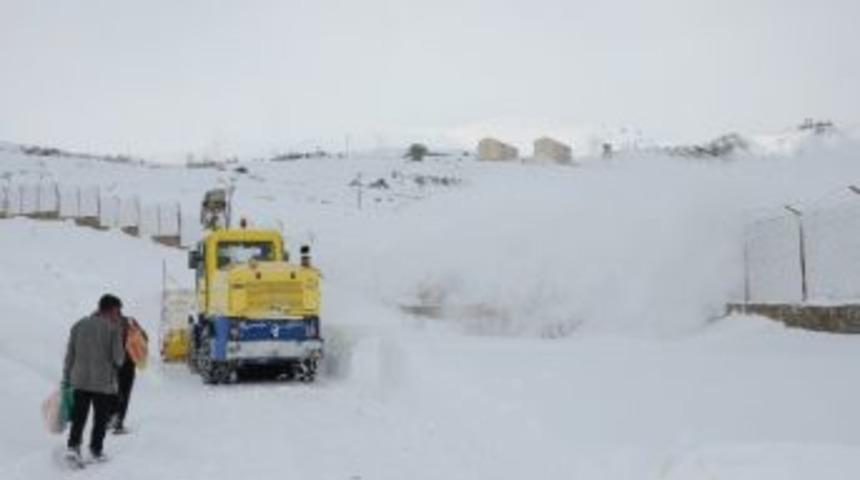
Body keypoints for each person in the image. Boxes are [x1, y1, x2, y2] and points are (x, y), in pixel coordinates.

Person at [62, 294, 126, 464]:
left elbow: (70, 356)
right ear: (112, 310)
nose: (118, 315)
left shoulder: (79, 325)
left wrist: (66, 378)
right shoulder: (113, 328)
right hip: (102, 383)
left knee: (79, 417)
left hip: (80, 381)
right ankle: (95, 450)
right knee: (100, 419)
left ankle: (73, 447)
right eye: (117, 311)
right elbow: (119, 358)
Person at [111, 315, 148, 434]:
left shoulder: (108, 324)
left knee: (112, 391)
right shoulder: (132, 322)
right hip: (128, 364)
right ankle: (118, 422)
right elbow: (145, 339)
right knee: (124, 393)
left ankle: (109, 419)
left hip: (114, 364)